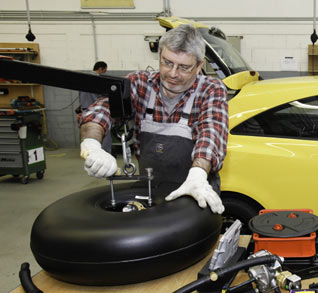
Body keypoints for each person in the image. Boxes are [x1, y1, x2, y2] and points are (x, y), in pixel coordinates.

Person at [79, 25, 228, 213]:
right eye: (167, 63)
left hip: (196, 192)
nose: (173, 73)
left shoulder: (211, 89)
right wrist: (91, 145)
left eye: (184, 67)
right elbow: (101, 109)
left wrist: (198, 175)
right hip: (150, 193)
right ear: (159, 57)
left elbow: (212, 133)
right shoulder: (140, 84)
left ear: (199, 66)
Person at [78, 61, 112, 153]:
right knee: (103, 131)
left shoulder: (84, 78)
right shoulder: (98, 80)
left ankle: (88, 151)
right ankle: (105, 152)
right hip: (96, 110)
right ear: (100, 68)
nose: (105, 72)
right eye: (104, 70)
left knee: (87, 132)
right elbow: (104, 94)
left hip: (84, 110)